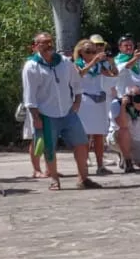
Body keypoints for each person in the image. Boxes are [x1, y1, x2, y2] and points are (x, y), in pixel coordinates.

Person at [22, 31, 98, 191]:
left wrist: (77, 101)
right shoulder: (31, 66)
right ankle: (54, 179)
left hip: (68, 111)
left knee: (82, 143)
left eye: (50, 42)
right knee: (49, 147)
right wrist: (36, 117)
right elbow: (30, 96)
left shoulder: (64, 62)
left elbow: (76, 83)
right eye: (43, 43)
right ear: (35, 47)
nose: (48, 45)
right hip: (46, 113)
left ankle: (83, 178)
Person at [74, 38, 119, 175]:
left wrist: (111, 63)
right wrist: (94, 61)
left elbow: (113, 74)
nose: (93, 53)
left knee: (99, 134)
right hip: (85, 100)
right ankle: (84, 164)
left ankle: (100, 165)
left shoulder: (100, 65)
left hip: (98, 100)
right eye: (89, 51)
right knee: (85, 135)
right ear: (81, 52)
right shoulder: (77, 63)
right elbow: (79, 74)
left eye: (94, 51)